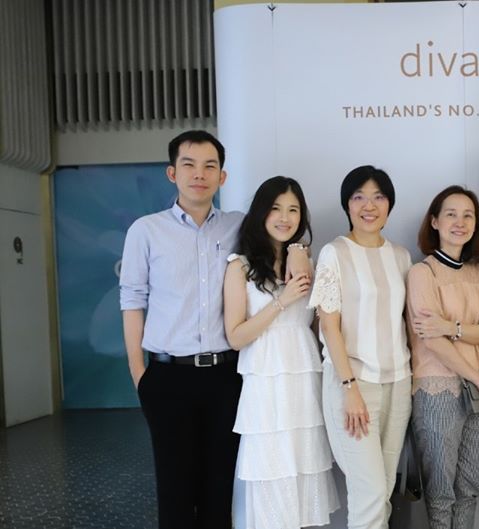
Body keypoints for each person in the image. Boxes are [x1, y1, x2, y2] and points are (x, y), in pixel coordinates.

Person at [120, 131, 310, 529]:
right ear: (172, 173)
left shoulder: (237, 226)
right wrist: (140, 374)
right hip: (167, 375)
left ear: (222, 177)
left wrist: (297, 249)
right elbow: (132, 301)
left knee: (219, 487)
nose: (199, 174)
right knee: (174, 489)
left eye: (210, 166)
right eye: (189, 165)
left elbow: (278, 234)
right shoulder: (146, 230)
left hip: (226, 376)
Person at [223, 176, 339, 528]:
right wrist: (281, 301)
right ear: (261, 212)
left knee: (303, 468)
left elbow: (317, 325)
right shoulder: (240, 266)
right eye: (276, 208)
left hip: (303, 375)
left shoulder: (305, 260)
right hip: (264, 380)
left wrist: (299, 252)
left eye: (293, 210)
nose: (285, 218)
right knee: (271, 470)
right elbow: (236, 336)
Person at [308, 166, 412, 529]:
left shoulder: (401, 256)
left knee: (382, 492)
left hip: (398, 383)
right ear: (347, 205)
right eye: (359, 197)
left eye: (378, 197)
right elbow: (328, 325)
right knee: (369, 493)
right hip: (352, 384)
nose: (369, 205)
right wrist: (349, 387)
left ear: (389, 205)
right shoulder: (334, 253)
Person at [405, 185, 479, 529]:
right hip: (438, 389)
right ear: (434, 221)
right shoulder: (423, 273)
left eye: (467, 215)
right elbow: (432, 341)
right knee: (441, 491)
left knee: (469, 488)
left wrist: (450, 327)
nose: (459, 222)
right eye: (451, 214)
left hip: (478, 394)